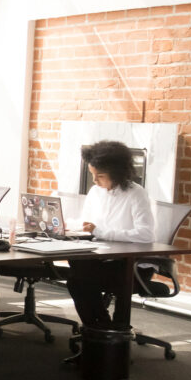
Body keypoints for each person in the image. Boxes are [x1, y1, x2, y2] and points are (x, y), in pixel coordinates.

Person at [66, 140, 154, 328]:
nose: (95, 181)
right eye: (92, 175)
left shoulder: (136, 194)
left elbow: (145, 234)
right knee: (76, 277)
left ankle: (102, 329)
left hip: (131, 267)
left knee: (80, 278)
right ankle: (101, 329)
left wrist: (102, 232)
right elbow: (88, 223)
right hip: (104, 260)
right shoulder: (96, 192)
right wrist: (67, 226)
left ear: (117, 173)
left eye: (100, 176)